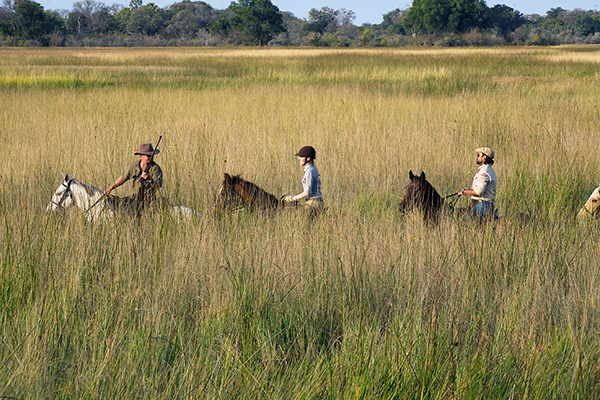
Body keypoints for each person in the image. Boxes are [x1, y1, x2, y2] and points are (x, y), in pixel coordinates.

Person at [105, 142, 163, 212]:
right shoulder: (134, 165)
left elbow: (158, 186)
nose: (150, 158)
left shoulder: (155, 168)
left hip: (148, 200)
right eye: (148, 155)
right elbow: (123, 178)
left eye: (152, 155)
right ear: (141, 156)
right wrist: (110, 188)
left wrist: (149, 179)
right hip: (133, 198)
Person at [458, 147, 497, 219]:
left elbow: (478, 192)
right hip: (482, 204)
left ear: (484, 157)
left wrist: (464, 191)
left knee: (462, 220)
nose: (476, 157)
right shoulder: (487, 170)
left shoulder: (484, 172)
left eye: (478, 155)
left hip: (483, 206)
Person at [282, 145, 323, 213]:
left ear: (308, 158)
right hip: (314, 202)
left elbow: (307, 193)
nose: (299, 159)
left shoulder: (310, 171)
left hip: (313, 204)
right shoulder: (310, 170)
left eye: (301, 157)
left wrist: (293, 198)